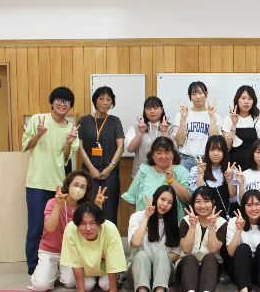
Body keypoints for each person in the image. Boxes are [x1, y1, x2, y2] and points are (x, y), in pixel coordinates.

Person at [22, 86, 79, 275]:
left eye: (66, 102)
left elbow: (65, 158)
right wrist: (38, 135)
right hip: (37, 182)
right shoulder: (38, 119)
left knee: (57, 225)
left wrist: (69, 142)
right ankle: (33, 264)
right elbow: (26, 146)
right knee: (37, 225)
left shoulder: (71, 129)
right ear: (52, 102)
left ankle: (56, 262)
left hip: (58, 185)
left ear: (70, 106)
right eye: (59, 101)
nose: (63, 104)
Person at [29, 170, 96, 292]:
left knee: (71, 283)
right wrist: (58, 205)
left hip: (71, 252)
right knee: (41, 286)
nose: (78, 189)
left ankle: (59, 271)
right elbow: (50, 228)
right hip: (50, 250)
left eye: (83, 187)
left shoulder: (84, 207)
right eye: (75, 184)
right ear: (68, 185)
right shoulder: (53, 202)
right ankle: (44, 270)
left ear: (86, 190)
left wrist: (98, 207)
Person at [128, 185, 181, 292]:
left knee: (161, 254)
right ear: (155, 198)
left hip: (163, 272)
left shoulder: (174, 223)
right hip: (138, 270)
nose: (165, 205)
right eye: (162, 199)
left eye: (170, 202)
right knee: (141, 255)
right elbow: (135, 243)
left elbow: (176, 253)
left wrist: (156, 259)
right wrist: (146, 217)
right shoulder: (137, 217)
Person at [60, 203, 127, 292]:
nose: (88, 228)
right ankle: (94, 280)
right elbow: (75, 261)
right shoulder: (71, 229)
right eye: (83, 223)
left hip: (106, 267)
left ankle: (120, 275)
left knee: (106, 286)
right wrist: (80, 291)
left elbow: (113, 260)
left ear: (99, 224)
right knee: (86, 287)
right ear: (77, 224)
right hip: (87, 267)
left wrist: (113, 290)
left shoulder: (109, 228)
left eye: (92, 223)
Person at [77, 86, 124, 224]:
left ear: (112, 102)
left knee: (110, 210)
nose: (105, 102)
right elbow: (79, 147)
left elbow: (120, 147)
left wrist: (110, 168)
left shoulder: (115, 121)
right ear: (95, 100)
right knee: (88, 210)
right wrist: (91, 169)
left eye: (108, 99)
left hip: (110, 174)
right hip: (88, 173)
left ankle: (109, 238)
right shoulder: (84, 121)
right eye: (101, 99)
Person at [177, 187, 228, 292]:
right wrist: (192, 226)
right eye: (198, 202)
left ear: (213, 203)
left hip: (211, 266)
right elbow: (186, 249)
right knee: (189, 258)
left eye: (206, 201)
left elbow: (213, 249)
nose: (202, 206)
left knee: (210, 257)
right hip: (187, 265)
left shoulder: (221, 223)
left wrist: (212, 227)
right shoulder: (186, 221)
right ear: (193, 204)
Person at [122, 136, 191, 223]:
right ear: (152, 155)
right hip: (145, 223)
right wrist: (133, 225)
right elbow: (133, 201)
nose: (163, 156)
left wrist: (172, 180)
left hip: (173, 225)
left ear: (173, 154)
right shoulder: (143, 171)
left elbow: (187, 199)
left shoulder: (181, 171)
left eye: (167, 152)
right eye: (159, 153)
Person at [172, 81, 222, 172]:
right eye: (194, 94)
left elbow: (215, 141)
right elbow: (180, 142)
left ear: (206, 94)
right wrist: (183, 118)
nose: (198, 97)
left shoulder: (216, 117)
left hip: (206, 159)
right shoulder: (181, 115)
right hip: (185, 159)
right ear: (190, 97)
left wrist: (211, 116)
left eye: (200, 93)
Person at [188, 135, 238, 222]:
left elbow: (233, 198)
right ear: (207, 151)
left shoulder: (230, 171)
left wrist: (229, 180)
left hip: (225, 219)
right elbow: (197, 193)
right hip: (204, 219)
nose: (216, 153)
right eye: (212, 149)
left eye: (219, 150)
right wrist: (201, 173)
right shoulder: (197, 170)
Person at [222, 85, 260, 172]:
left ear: (253, 101)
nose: (246, 102)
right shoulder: (227, 120)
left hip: (253, 166)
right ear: (237, 100)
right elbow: (228, 146)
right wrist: (234, 124)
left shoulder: (258, 120)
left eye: (250, 99)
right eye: (243, 98)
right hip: (233, 166)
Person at [125, 96, 172, 179]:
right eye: (148, 108)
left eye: (155, 108)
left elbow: (174, 150)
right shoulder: (136, 127)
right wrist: (140, 132)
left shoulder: (170, 128)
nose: (152, 111)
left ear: (161, 109)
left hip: (164, 174)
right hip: (141, 174)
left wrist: (164, 132)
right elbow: (130, 149)